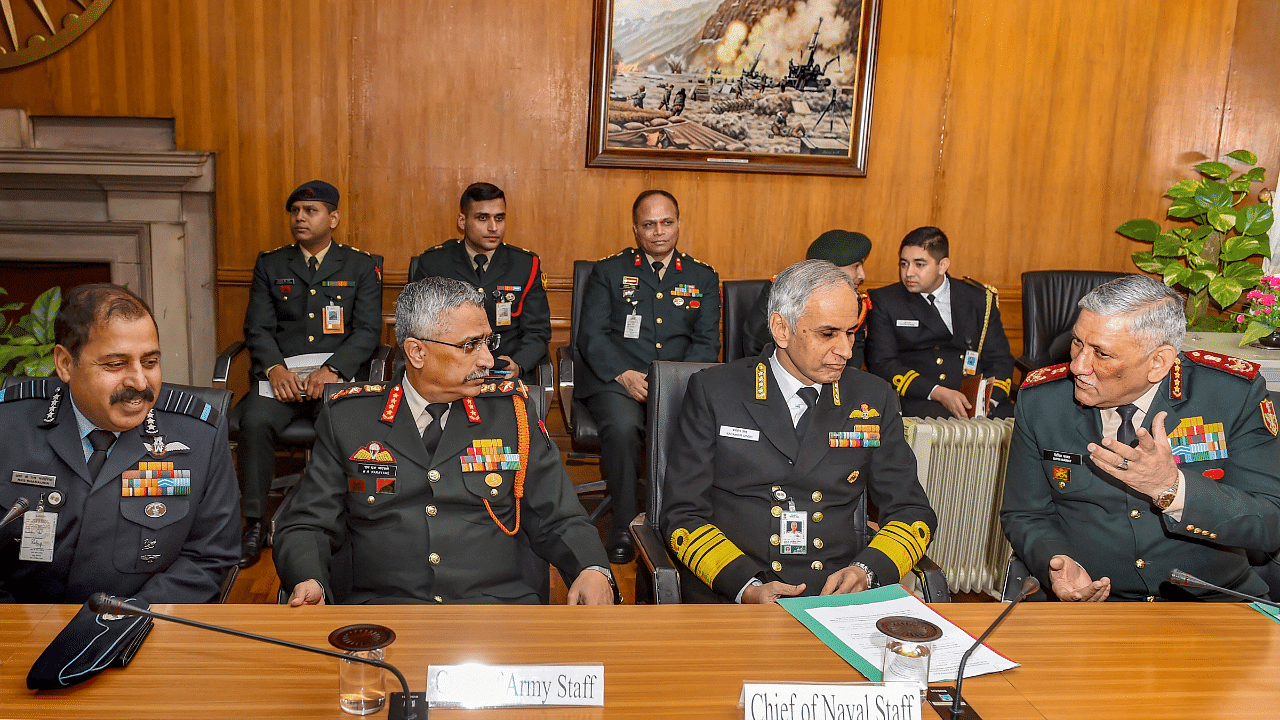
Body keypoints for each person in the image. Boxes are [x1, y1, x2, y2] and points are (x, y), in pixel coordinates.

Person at [273, 277, 614, 605]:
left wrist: (591, 568)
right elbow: (307, 523)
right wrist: (308, 578)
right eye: (470, 345)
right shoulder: (350, 419)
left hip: (495, 611)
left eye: (487, 343)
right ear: (417, 352)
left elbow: (560, 517)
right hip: (384, 612)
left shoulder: (511, 414)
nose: (488, 360)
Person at [662, 260, 936, 603]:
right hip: (735, 588)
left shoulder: (872, 399)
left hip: (831, 595)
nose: (846, 352)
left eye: (850, 332)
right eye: (828, 333)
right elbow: (682, 514)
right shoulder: (716, 391)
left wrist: (865, 571)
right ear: (781, 328)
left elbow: (912, 512)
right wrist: (745, 587)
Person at [1002, 274, 1280, 602]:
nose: (1078, 366)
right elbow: (1025, 513)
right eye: (1077, 342)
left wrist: (1172, 490)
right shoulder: (1043, 400)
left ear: (1158, 363)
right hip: (1092, 607)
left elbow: (1270, 522)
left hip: (1208, 602)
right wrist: (1057, 563)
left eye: (1101, 354)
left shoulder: (1230, 395)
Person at [0, 284, 238, 603]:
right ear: (65, 364)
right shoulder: (8, 424)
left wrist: (129, 620)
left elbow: (209, 557)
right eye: (115, 364)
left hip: (141, 630)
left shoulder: (199, 434)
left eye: (150, 362)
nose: (140, 382)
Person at [233, 180, 383, 568]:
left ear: (332, 218)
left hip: (332, 381)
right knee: (252, 420)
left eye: (310, 211)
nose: (300, 218)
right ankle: (254, 521)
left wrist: (333, 368)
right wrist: (274, 368)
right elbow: (258, 328)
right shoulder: (271, 264)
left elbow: (367, 331)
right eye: (295, 211)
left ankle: (346, 520)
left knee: (344, 423)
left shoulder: (359, 266)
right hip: (280, 381)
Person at [575, 189, 720, 563]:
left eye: (667, 223)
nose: (659, 232)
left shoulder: (701, 276)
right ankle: (624, 525)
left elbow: (706, 342)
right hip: (616, 381)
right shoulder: (610, 271)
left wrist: (674, 382)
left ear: (678, 224)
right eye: (649, 224)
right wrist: (623, 374)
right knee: (623, 428)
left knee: (692, 429)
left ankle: (679, 527)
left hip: (677, 384)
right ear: (635, 229)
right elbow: (591, 334)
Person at [865, 226, 1014, 419]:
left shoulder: (978, 299)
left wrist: (988, 400)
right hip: (923, 398)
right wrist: (938, 393)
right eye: (903, 264)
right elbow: (882, 363)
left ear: (942, 265)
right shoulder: (885, 301)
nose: (908, 273)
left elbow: (1000, 359)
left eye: (919, 264)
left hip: (977, 402)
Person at [408, 182, 550, 383]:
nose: (493, 227)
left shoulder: (525, 265)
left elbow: (537, 330)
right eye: (482, 218)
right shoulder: (434, 263)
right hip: (449, 374)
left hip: (503, 373)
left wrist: (519, 364)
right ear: (462, 221)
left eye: (499, 218)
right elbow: (417, 326)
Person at [741, 229, 872, 364]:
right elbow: (756, 343)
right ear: (830, 267)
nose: (862, 275)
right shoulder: (785, 292)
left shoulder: (854, 301)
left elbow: (854, 356)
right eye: (856, 266)